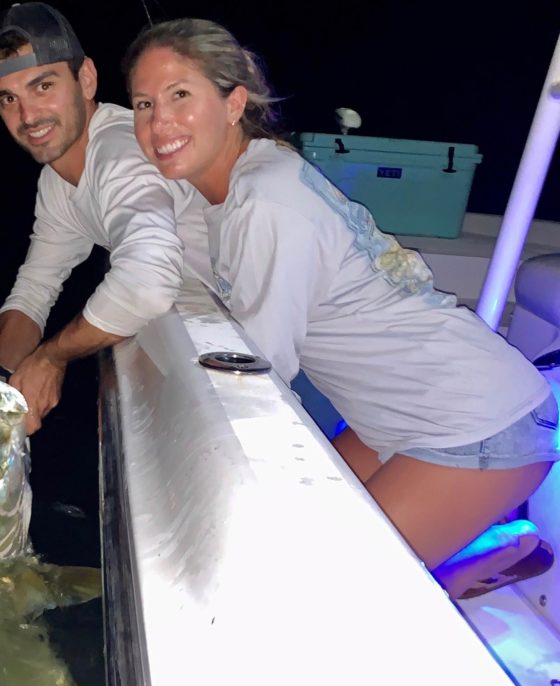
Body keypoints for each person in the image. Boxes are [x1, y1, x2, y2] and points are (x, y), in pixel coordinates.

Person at [122, 17, 559, 599]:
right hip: (394, 417)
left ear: (234, 104)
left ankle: (495, 546)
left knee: (339, 595)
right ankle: (482, 553)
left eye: (181, 95)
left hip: (477, 426)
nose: (159, 122)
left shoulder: (267, 200)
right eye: (144, 103)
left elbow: (258, 372)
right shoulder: (221, 190)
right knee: (306, 528)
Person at [0, 2, 214, 434]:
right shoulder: (57, 180)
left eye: (43, 86)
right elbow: (34, 291)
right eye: (8, 98)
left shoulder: (120, 149)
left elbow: (147, 282)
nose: (28, 116)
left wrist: (53, 357)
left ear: (85, 79)